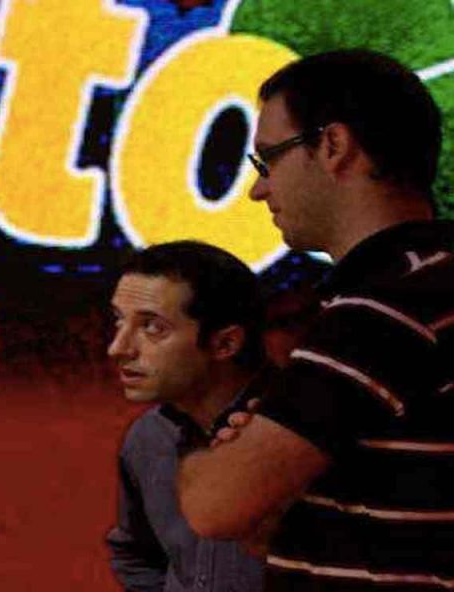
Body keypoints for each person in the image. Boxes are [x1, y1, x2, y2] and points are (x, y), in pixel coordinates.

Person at [178, 49, 454, 591]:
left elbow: (214, 507)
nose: (258, 189)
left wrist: (207, 456)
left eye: (268, 160)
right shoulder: (427, 283)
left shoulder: (387, 309)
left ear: (333, 146)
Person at [106, 240, 267, 591]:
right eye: (119, 321)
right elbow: (135, 556)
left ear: (225, 344)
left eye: (152, 327)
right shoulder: (148, 438)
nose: (118, 348)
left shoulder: (301, 432)